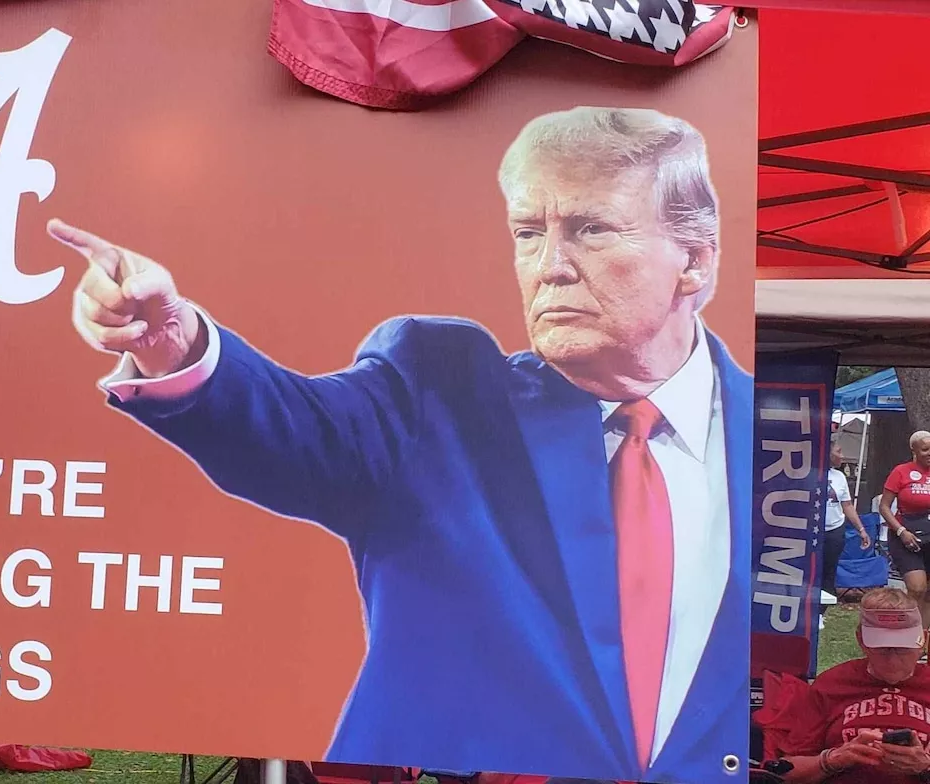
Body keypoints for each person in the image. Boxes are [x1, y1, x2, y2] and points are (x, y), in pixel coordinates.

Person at [50, 106, 751, 782]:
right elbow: (299, 432)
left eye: (592, 230)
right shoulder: (438, 387)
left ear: (693, 262)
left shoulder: (766, 435)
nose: (549, 266)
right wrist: (174, 345)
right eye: (528, 233)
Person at [777, 588, 930, 784]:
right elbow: (786, 771)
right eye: (882, 648)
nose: (892, 659)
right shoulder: (833, 684)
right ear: (861, 640)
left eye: (902, 648)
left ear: (923, 641)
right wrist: (836, 758)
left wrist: (924, 766)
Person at [880, 432, 930, 642]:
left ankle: (922, 640)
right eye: (925, 449)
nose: (929, 454)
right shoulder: (901, 472)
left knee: (928, 593)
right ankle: (905, 634)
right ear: (914, 451)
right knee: (917, 587)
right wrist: (901, 531)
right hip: (906, 535)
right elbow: (884, 507)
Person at [825, 437, 872, 603]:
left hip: (834, 530)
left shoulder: (839, 476)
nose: (842, 456)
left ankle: (821, 612)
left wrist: (861, 530)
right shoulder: (807, 472)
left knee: (829, 572)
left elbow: (847, 505)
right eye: (838, 451)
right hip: (811, 531)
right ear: (826, 452)